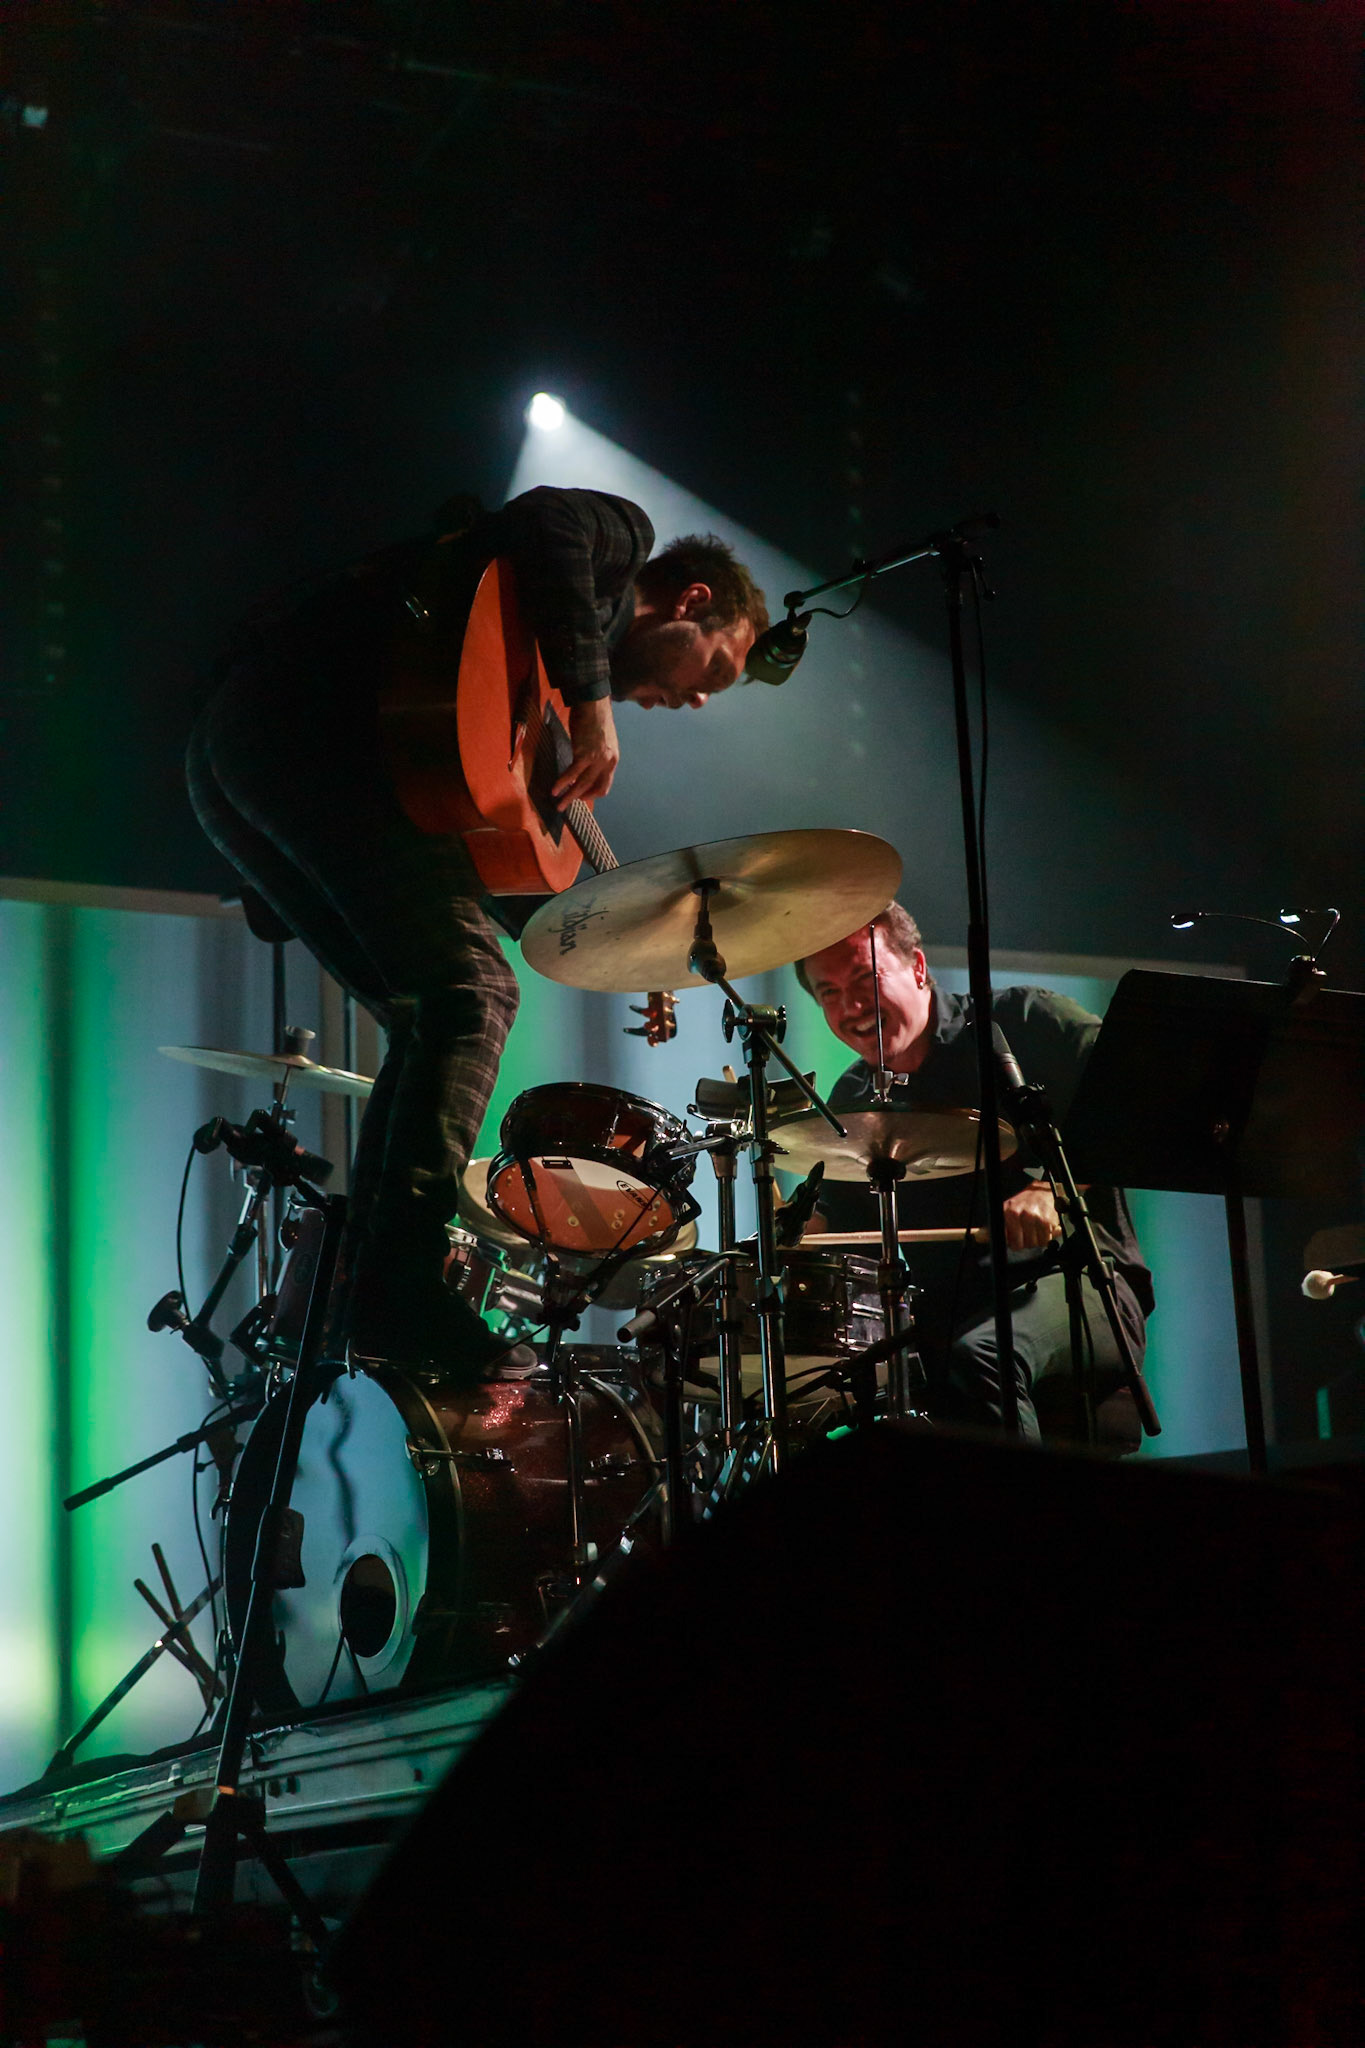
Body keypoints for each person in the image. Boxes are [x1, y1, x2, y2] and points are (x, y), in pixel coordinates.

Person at [188, 485, 767, 1378]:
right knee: (473, 992)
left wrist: (630, 948)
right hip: (307, 733)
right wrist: (593, 705)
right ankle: (400, 1286)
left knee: (430, 1011)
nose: (692, 703)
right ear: (692, 601)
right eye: (713, 672)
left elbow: (504, 874)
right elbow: (547, 518)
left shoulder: (515, 687)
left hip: (252, 754)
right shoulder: (621, 544)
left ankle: (364, 1287)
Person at [796, 903, 1153, 1449]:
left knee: (983, 1352)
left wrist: (1053, 1192)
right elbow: (839, 1226)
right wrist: (795, 1235)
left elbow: (1135, 1095)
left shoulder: (1025, 1022)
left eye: (865, 980)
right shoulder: (850, 1102)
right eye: (829, 994)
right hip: (946, 1314)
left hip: (1081, 1283)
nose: (852, 1006)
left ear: (917, 967)